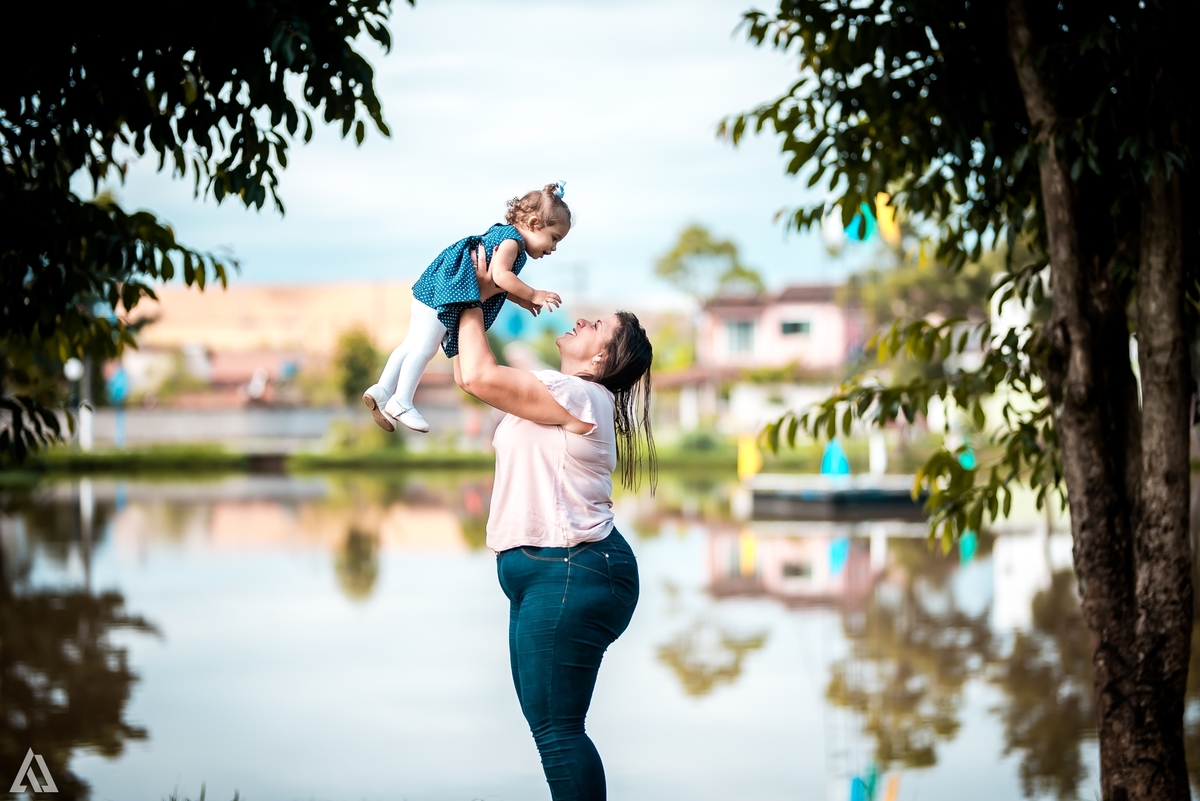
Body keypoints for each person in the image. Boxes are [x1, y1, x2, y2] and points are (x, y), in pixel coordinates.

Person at [454, 243, 656, 801]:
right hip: (551, 571)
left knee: (559, 733)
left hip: (572, 569)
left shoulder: (580, 393)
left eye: (599, 327)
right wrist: (475, 299)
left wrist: (469, 290)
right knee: (552, 731)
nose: (584, 319)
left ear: (600, 360)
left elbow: (476, 376)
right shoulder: (564, 392)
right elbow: (467, 364)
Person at [362, 182, 570, 433]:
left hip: (430, 289)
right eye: (554, 238)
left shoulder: (502, 234)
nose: (554, 248)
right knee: (425, 349)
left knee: (409, 345)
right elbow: (502, 277)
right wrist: (534, 293)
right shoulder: (513, 244)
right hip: (446, 297)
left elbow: (496, 282)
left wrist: (523, 300)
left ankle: (382, 389)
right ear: (535, 223)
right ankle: (402, 401)